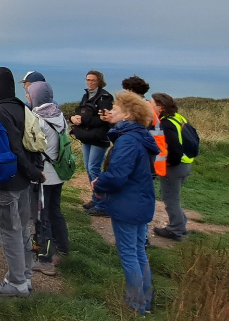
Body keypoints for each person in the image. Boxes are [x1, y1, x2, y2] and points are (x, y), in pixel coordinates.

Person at [91, 90, 159, 315]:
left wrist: (99, 183)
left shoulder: (128, 141)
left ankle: (135, 305)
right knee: (139, 251)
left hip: (128, 203)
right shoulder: (139, 136)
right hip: (141, 200)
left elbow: (118, 175)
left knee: (130, 253)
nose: (112, 112)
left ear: (128, 115)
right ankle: (145, 301)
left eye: (116, 109)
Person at [0, 67, 44, 298]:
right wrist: (34, 171)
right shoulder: (21, 105)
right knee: (23, 229)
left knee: (9, 230)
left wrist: (30, 171)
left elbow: (13, 147)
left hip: (9, 179)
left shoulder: (0, 111)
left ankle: (16, 283)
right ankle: (26, 277)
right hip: (25, 180)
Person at [25, 81, 70, 276]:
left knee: (41, 218)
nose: (27, 97)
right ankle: (63, 248)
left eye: (29, 94)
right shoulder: (59, 115)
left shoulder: (38, 119)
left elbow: (32, 146)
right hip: (57, 174)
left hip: (43, 176)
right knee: (55, 212)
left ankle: (45, 259)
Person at [70, 70, 114, 216]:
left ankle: (103, 204)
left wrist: (83, 120)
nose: (89, 82)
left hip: (99, 138)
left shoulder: (105, 97)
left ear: (99, 81)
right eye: (88, 80)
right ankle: (96, 199)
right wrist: (74, 118)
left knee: (93, 168)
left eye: (93, 80)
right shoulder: (86, 95)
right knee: (90, 169)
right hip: (87, 137)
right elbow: (84, 113)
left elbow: (103, 119)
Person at [151, 93, 193, 242]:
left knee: (170, 199)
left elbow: (174, 149)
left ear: (160, 107)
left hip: (175, 166)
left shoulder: (166, 124)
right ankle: (181, 224)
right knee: (173, 197)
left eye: (153, 104)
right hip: (186, 163)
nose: (150, 106)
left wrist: (169, 164)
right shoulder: (178, 118)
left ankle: (176, 229)